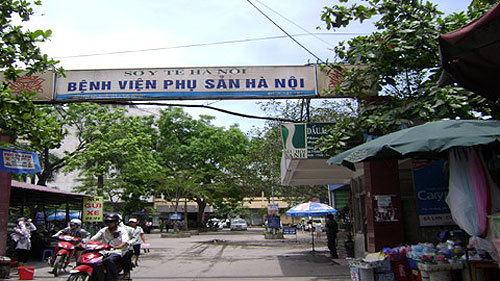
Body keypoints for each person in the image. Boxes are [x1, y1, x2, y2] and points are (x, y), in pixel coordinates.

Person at [90, 214, 130, 281]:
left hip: (117, 252)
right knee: (94, 260)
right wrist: (85, 243)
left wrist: (117, 247)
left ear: (116, 222)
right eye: (107, 222)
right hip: (103, 251)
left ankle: (113, 279)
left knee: (109, 260)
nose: (109, 224)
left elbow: (125, 242)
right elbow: (93, 239)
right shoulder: (103, 230)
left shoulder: (121, 231)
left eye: (111, 222)